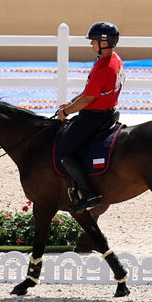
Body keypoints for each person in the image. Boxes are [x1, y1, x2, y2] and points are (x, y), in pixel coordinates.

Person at [55, 21, 123, 212]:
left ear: (104, 42)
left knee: (64, 151)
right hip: (107, 112)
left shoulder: (104, 68)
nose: (90, 44)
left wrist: (66, 112)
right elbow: (88, 92)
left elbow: (87, 99)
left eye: (93, 41)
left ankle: (89, 193)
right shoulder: (114, 59)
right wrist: (70, 103)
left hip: (94, 116)